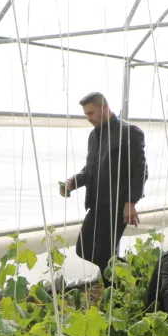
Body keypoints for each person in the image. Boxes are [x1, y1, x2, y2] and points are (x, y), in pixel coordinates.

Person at [60, 92, 148, 282]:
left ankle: (115, 295)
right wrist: (73, 182)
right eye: (86, 115)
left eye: (92, 113)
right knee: (84, 249)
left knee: (105, 255)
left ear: (105, 108)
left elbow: (141, 171)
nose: (89, 119)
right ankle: (134, 278)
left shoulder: (129, 132)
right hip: (96, 203)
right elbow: (90, 169)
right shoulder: (94, 136)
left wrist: (130, 202)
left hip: (117, 206)